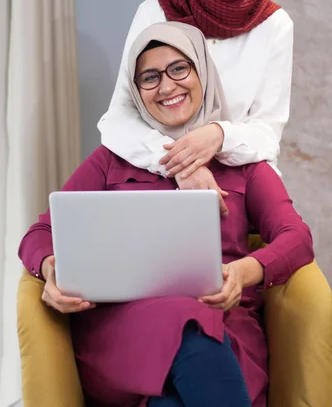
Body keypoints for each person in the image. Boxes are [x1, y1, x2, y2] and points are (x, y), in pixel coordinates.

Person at [19, 22, 313, 407]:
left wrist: (245, 271)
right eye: (150, 77)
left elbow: (297, 237)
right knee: (183, 321)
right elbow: (40, 231)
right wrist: (50, 266)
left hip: (224, 327)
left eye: (179, 68)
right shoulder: (110, 160)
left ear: (202, 73)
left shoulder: (244, 164)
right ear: (136, 92)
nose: (167, 86)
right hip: (124, 334)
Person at [97, 0, 293, 199]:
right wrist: (181, 166)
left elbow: (267, 134)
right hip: (160, 188)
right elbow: (119, 120)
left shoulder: (274, 24)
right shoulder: (155, 13)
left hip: (246, 190)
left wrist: (219, 135)